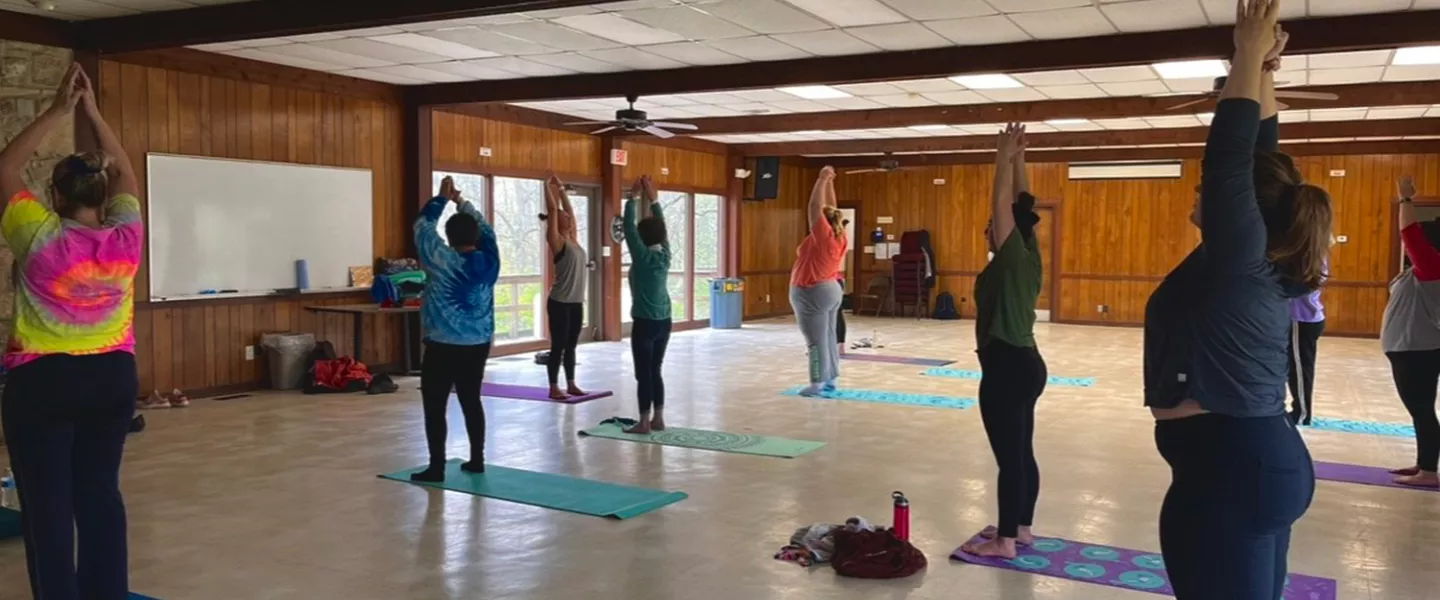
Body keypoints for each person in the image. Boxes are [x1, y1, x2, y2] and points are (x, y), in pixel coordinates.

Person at [1143, 4, 1332, 597]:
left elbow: (1230, 160)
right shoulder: (1258, 253)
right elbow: (1255, 158)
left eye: (1205, 190)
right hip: (1238, 465)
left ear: (1241, 209)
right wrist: (1266, 73)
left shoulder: (1241, 256)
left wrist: (1246, 53)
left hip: (1234, 468)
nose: (1199, 196)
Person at [0, 63, 143, 600]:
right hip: (112, 377)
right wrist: (93, 113)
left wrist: (59, 109)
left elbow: (5, 166)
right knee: (100, 494)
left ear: (54, 196)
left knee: (48, 505)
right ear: (102, 196)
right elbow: (128, 175)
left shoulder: (36, 234)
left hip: (45, 382)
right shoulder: (126, 235)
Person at [960, 123, 1047, 560]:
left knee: (1009, 458)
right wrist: (1018, 161)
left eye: (992, 228)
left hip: (1007, 367)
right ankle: (1023, 529)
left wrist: (1000, 157)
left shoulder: (1013, 254)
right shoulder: (1031, 254)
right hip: (1028, 363)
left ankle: (1006, 540)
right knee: (1021, 450)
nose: (989, 230)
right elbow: (1022, 205)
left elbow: (1005, 207)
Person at [411, 176, 500, 482]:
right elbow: (488, 233)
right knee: (471, 400)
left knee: (435, 407)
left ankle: (437, 467)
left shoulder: (442, 260)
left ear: (448, 238)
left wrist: (441, 200)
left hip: (442, 346)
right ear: (475, 237)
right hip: (477, 344)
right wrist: (463, 203)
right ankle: (477, 459)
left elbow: (422, 229)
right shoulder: (490, 262)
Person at [1380, 174, 1440, 488]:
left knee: (1421, 409)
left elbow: (1410, 233)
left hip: (1416, 351)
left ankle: (1428, 471)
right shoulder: (1425, 269)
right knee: (1420, 409)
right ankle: (1423, 463)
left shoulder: (1433, 267)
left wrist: (1405, 198)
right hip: (1412, 349)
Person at [789, 167, 848, 396]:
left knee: (814, 342)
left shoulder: (823, 235)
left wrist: (821, 178)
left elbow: (814, 208)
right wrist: (830, 183)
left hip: (811, 291)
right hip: (831, 289)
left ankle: (816, 384)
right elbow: (831, 208)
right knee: (829, 335)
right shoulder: (840, 234)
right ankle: (831, 379)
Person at [622, 175, 672, 434]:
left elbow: (629, 228)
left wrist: (632, 198)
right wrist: (653, 200)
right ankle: (659, 418)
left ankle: (643, 421)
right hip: (665, 321)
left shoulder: (641, 257)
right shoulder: (665, 255)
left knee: (643, 373)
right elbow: (661, 229)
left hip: (644, 322)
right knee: (656, 370)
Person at [541, 175, 588, 400]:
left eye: (568, 216)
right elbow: (552, 211)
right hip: (559, 302)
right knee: (558, 345)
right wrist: (546, 187)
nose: (568, 216)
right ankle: (553, 386)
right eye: (563, 216)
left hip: (576, 302)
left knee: (571, 345)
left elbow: (570, 212)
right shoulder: (557, 240)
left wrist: (561, 189)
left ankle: (570, 383)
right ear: (557, 222)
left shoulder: (574, 238)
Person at [1287, 256, 1326, 426]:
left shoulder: (1306, 256)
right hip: (1304, 319)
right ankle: (1301, 410)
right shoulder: (1315, 252)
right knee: (1298, 367)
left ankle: (1301, 412)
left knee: (1299, 369)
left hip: (1300, 319)